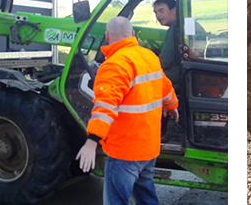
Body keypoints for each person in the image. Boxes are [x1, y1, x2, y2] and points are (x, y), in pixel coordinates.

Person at [76, 17, 179, 205]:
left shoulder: (114, 65)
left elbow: (105, 107)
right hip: (149, 146)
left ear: (107, 37)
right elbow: (165, 87)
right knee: (146, 195)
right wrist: (172, 105)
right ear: (133, 34)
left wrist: (91, 142)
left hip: (125, 151)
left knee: (116, 200)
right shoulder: (149, 56)